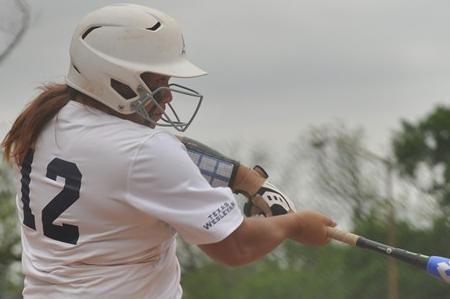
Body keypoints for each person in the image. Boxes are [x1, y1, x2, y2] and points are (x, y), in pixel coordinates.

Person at [2, 4, 336, 299]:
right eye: (157, 82)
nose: (168, 96)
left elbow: (156, 156)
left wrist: (244, 178)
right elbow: (237, 246)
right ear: (113, 78)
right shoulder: (145, 151)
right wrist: (295, 225)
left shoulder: (44, 122)